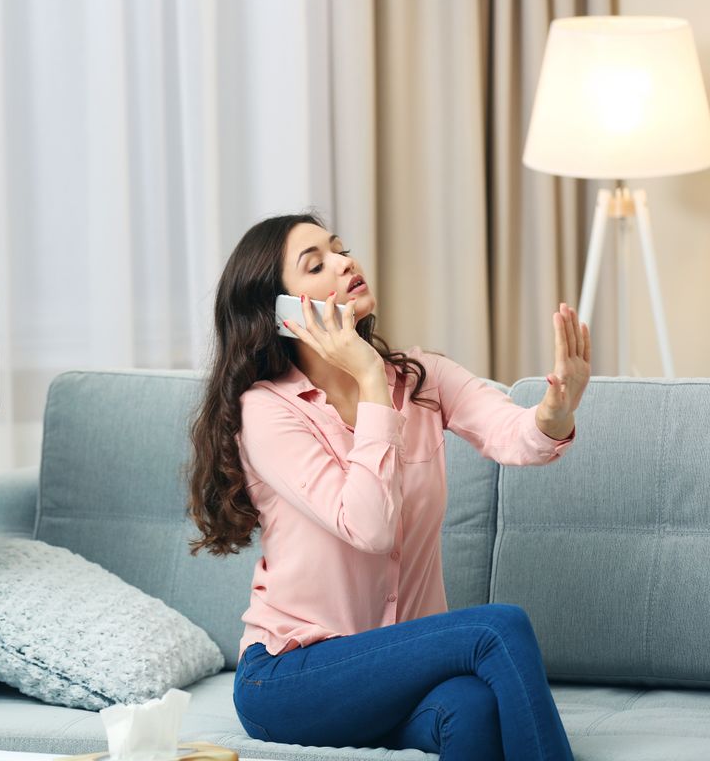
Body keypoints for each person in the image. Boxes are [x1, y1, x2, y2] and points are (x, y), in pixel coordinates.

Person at [187, 212, 590, 759]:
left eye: (339, 248)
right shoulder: (267, 412)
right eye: (316, 264)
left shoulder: (424, 378)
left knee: (470, 708)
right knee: (498, 628)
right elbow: (370, 527)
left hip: (395, 679)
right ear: (282, 314)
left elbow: (513, 433)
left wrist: (554, 411)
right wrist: (371, 380)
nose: (345, 261)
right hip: (291, 678)